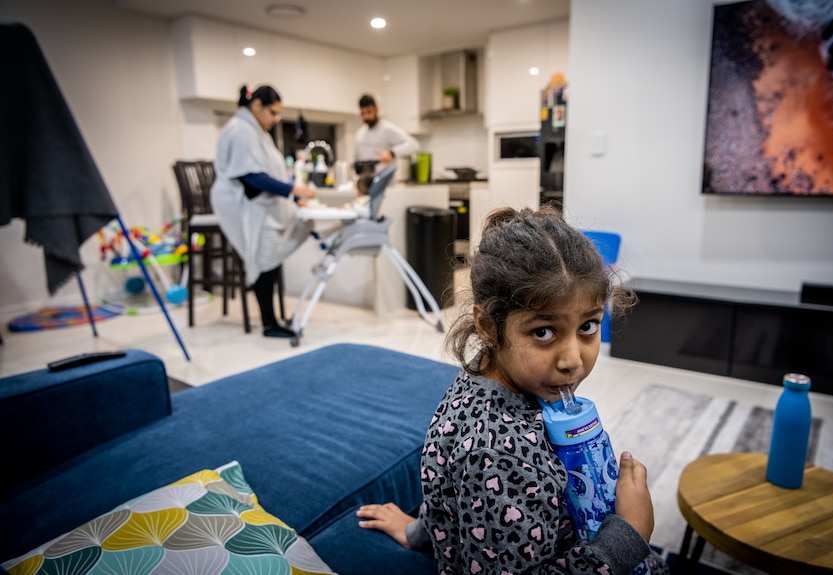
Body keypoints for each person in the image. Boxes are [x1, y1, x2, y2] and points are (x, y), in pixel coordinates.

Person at [356, 206, 668, 574]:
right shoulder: (498, 452)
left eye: (588, 326)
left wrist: (420, 531)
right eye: (543, 332)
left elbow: (459, 502)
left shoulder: (488, 383)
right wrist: (628, 536)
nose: (571, 359)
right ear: (488, 326)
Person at [210, 84, 316, 338]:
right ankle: (269, 324)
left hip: (256, 200)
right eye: (273, 112)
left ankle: (273, 319)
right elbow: (251, 177)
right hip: (240, 202)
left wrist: (291, 195)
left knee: (272, 252)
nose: (276, 119)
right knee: (264, 256)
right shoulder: (240, 130)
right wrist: (293, 191)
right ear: (256, 106)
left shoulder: (256, 130)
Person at [354, 93, 419, 175]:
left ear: (376, 109)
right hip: (366, 184)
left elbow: (413, 144)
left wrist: (392, 153)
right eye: (363, 113)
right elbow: (356, 160)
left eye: (369, 112)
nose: (366, 117)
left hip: (386, 184)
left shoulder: (387, 129)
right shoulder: (360, 134)